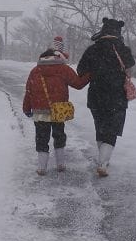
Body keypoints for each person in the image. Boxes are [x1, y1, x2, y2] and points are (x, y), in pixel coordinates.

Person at [77, 17, 135, 177]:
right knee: (112, 130)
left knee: (101, 128)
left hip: (96, 94)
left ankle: (102, 159)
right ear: (118, 32)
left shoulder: (92, 50)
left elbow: (80, 70)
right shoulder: (124, 50)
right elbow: (130, 67)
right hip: (117, 96)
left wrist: (96, 71)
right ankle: (103, 162)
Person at [22, 38, 89, 175]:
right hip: (58, 110)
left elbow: (29, 90)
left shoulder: (35, 70)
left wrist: (26, 108)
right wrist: (91, 73)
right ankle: (60, 164)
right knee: (59, 135)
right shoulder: (63, 69)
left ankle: (42, 167)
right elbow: (78, 84)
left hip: (40, 111)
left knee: (41, 137)